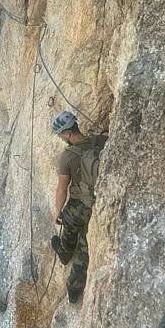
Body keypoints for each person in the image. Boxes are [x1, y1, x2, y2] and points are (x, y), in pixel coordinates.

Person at [51, 111, 107, 303]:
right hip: (97, 204)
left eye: (60, 135)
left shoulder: (66, 157)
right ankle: (74, 291)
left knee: (68, 228)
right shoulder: (100, 141)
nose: (61, 138)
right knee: (84, 249)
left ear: (67, 133)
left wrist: (58, 211)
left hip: (78, 206)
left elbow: (61, 189)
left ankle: (64, 254)